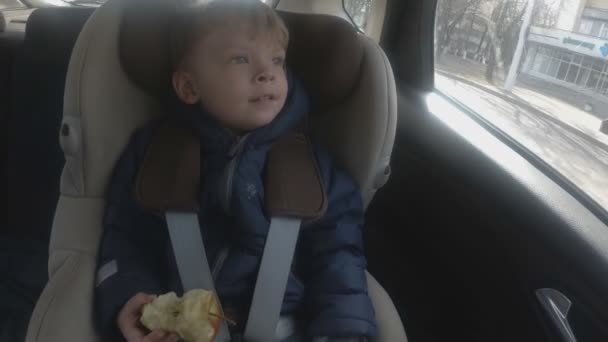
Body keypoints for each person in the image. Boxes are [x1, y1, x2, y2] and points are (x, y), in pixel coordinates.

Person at [94, 1, 375, 341]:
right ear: (189, 87)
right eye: (240, 59)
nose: (266, 72)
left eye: (277, 60)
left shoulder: (313, 166)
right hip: (180, 326)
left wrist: (341, 332)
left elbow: (339, 257)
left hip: (284, 328)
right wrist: (128, 297)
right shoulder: (155, 152)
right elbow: (126, 237)